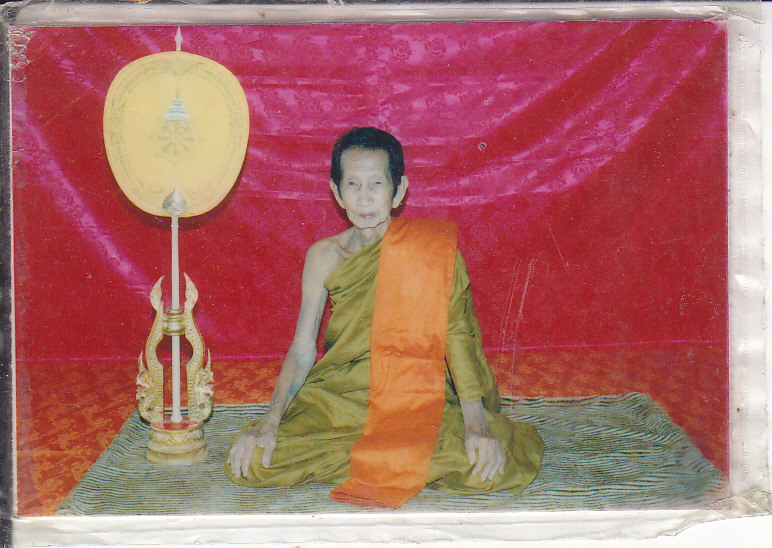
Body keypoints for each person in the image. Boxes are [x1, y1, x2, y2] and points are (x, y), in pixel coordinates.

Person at [225, 127, 543, 507]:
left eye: (376, 183)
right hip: (343, 395)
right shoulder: (324, 256)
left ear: (399, 189)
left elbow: (457, 339)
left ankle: (381, 458)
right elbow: (302, 348)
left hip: (417, 392)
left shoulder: (429, 250)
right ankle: (391, 460)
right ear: (336, 192)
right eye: (352, 184)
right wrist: (270, 422)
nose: (364, 198)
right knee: (254, 462)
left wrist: (476, 425)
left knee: (484, 466)